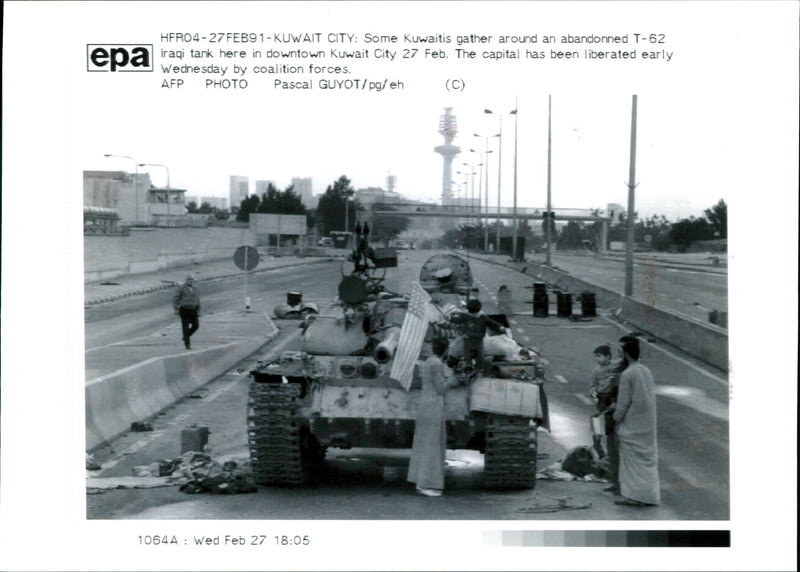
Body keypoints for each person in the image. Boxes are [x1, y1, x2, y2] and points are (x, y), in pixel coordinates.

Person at [612, 336, 660, 506]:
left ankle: (634, 496)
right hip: (648, 424)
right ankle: (649, 496)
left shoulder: (627, 374)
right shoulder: (646, 371)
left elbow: (624, 402)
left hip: (632, 425)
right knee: (647, 460)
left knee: (631, 464)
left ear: (626, 354)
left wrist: (616, 418)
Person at [407, 337, 458, 497]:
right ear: (446, 349)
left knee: (426, 443)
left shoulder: (429, 361)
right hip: (433, 405)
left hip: (427, 404)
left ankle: (420, 480)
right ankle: (425, 484)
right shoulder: (436, 364)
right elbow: (440, 388)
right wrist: (454, 380)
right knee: (431, 445)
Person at [589, 344, 623, 492]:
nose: (598, 359)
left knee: (612, 433)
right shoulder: (596, 371)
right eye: (596, 356)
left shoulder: (616, 366)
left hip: (612, 399)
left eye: (600, 356)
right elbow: (592, 386)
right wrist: (593, 394)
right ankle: (603, 452)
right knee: (603, 430)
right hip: (602, 400)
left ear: (609, 357)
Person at [453, 298, 504, 373]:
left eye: (474, 313)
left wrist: (499, 327)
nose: (473, 315)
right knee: (467, 358)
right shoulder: (464, 316)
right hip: (468, 340)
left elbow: (492, 323)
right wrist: (450, 318)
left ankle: (479, 370)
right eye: (471, 313)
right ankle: (468, 370)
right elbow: (456, 320)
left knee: (480, 358)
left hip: (478, 341)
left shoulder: (482, 317)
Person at [173, 274, 200, 349]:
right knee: (185, 327)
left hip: (193, 310)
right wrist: (176, 309)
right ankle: (187, 345)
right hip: (184, 310)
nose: (190, 281)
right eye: (189, 279)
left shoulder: (195, 289)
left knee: (196, 326)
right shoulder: (181, 288)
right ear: (186, 280)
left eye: (191, 280)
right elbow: (175, 299)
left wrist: (199, 310)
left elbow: (197, 300)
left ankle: (185, 337)